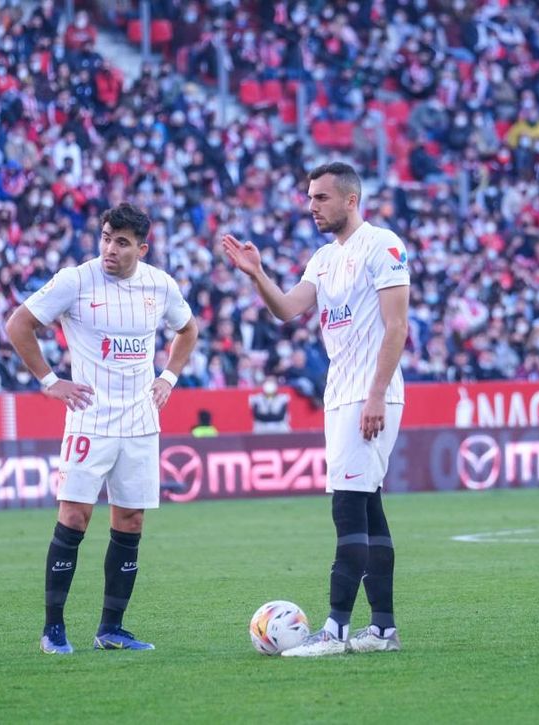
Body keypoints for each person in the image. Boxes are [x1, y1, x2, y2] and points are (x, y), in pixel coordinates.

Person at [223, 162, 410, 657]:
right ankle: (384, 630)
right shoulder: (324, 259)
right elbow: (286, 309)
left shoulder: (383, 246)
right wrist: (257, 274)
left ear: (350, 200)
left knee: (347, 506)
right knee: (367, 506)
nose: (312, 206)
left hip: (369, 396)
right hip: (340, 395)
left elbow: (396, 328)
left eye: (321, 198)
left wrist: (375, 394)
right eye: (310, 198)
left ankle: (335, 630)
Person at [6, 202, 198, 654]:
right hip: (90, 419)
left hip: (139, 422)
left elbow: (187, 330)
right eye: (107, 237)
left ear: (142, 248)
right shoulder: (76, 280)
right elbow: (19, 324)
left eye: (122, 242)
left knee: (130, 520)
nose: (110, 248)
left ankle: (110, 629)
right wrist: (50, 382)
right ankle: (53, 630)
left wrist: (168, 377)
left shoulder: (159, 284)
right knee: (74, 517)